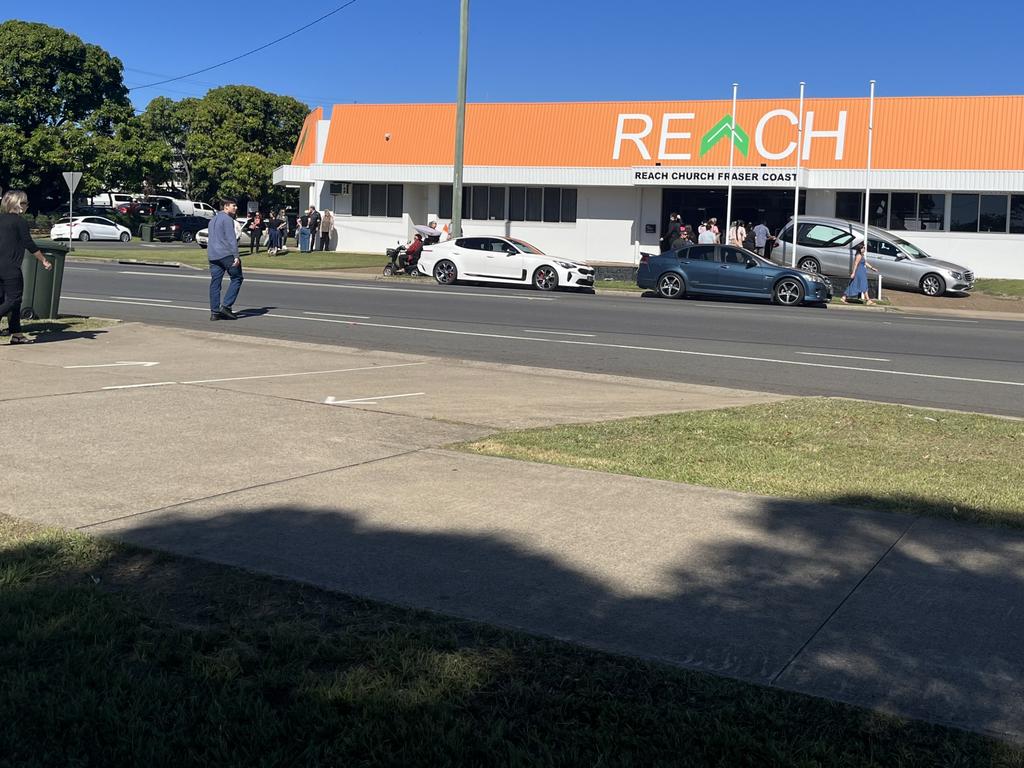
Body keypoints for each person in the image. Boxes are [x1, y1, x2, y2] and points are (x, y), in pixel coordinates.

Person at [0, 190, 52, 344]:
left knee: (8, 300)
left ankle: (17, 334)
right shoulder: (20, 222)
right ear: (19, 205)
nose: (27, 206)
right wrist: (43, 260)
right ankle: (16, 333)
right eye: (25, 203)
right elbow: (28, 243)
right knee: (15, 299)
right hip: (10, 267)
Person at [207, 198, 243, 320]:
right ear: (226, 207)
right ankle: (226, 306)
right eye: (234, 205)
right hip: (226, 254)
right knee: (237, 278)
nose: (236, 208)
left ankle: (214, 312)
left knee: (215, 283)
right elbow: (231, 239)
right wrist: (236, 256)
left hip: (213, 255)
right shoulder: (227, 219)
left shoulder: (212, 220)